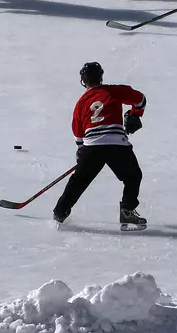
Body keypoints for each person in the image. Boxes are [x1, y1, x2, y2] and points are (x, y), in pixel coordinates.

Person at [53, 62, 148, 230]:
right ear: (101, 77)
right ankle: (127, 211)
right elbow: (140, 99)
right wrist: (135, 114)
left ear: (83, 80)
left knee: (78, 181)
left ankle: (59, 213)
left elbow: (77, 129)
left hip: (92, 147)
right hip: (116, 145)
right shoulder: (114, 91)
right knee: (133, 177)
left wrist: (81, 149)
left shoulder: (81, 102)